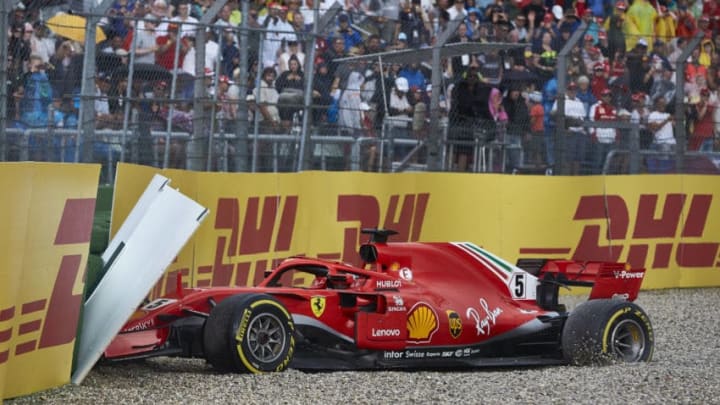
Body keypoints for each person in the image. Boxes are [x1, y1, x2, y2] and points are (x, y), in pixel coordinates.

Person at [551, 82, 587, 174]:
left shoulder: (579, 101)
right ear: (567, 90)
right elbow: (554, 114)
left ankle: (575, 177)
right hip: (568, 132)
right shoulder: (561, 100)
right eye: (570, 89)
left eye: (574, 89)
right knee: (567, 158)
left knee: (578, 158)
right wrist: (565, 128)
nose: (572, 91)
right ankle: (567, 177)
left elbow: (583, 118)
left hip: (579, 132)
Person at [589, 88, 617, 174]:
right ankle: (595, 180)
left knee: (609, 162)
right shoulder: (595, 107)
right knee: (598, 161)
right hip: (599, 138)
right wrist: (593, 134)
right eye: (605, 96)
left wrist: (616, 136)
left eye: (609, 96)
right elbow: (591, 121)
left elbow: (616, 123)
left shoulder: (613, 109)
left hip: (611, 139)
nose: (607, 98)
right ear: (601, 97)